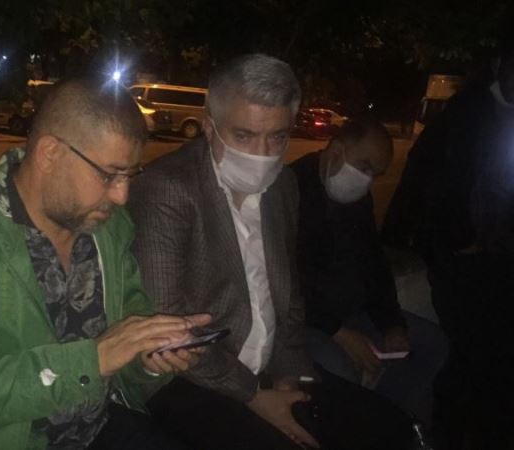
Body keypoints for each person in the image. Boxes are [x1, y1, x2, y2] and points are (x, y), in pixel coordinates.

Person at [129, 53, 413, 450]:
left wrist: (290, 376)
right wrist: (254, 396)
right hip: (189, 377)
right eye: (244, 136)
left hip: (269, 367)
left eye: (277, 137)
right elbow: (171, 330)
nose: (262, 154)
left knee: (391, 428)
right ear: (209, 127)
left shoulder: (283, 187)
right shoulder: (168, 189)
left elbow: (288, 297)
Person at [0, 76, 210, 450]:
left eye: (129, 175)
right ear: (49, 154)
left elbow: (128, 334)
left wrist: (149, 358)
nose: (122, 196)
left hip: (98, 426)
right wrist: (93, 360)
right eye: (108, 175)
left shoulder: (107, 227)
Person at [382, 38, 514, 450]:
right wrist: (463, 238)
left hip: (494, 255)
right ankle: (453, 433)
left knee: (493, 353)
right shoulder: (469, 112)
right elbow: (435, 180)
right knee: (468, 351)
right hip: (461, 256)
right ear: (499, 66)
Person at [291, 118, 447, 426]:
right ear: (336, 149)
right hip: (305, 322)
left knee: (433, 344)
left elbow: (374, 265)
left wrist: (392, 324)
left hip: (353, 315)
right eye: (364, 166)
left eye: (376, 174)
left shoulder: (357, 199)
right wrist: (338, 332)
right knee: (340, 369)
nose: (367, 180)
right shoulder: (290, 189)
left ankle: (391, 424)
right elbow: (285, 279)